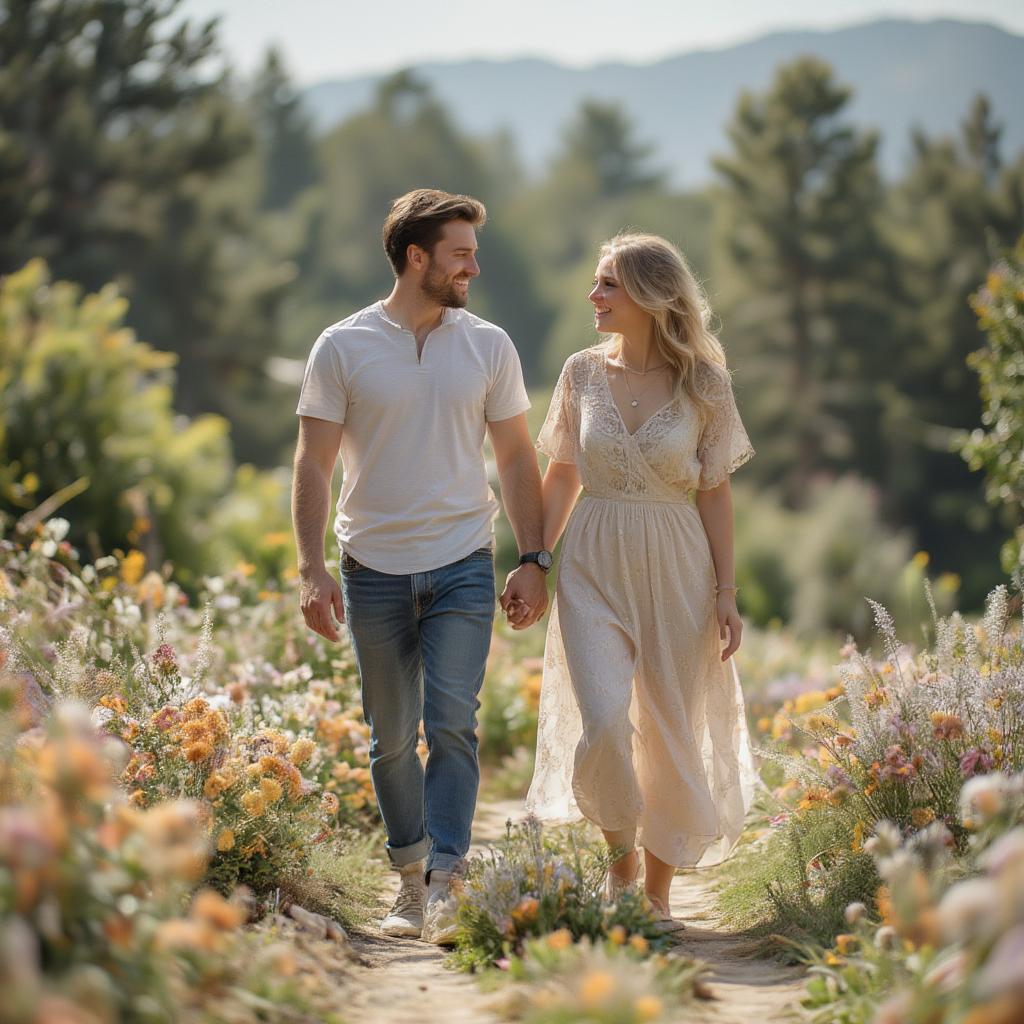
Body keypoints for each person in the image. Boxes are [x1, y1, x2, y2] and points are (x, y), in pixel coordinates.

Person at [292, 188, 550, 944]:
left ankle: (446, 876)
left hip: (464, 563)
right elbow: (313, 465)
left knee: (453, 722)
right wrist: (312, 569)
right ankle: (407, 876)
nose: (474, 265)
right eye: (460, 253)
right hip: (371, 568)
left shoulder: (488, 345)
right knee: (391, 736)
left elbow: (514, 457)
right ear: (416, 256)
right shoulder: (341, 346)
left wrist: (533, 558)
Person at [524, 232, 759, 928]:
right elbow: (561, 473)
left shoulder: (705, 386)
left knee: (668, 728)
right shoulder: (579, 374)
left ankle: (656, 896)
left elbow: (714, 492)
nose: (592, 296)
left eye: (607, 284)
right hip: (593, 557)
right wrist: (534, 559)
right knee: (601, 720)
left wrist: (726, 592)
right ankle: (619, 866)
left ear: (653, 297)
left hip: (680, 564)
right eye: (597, 283)